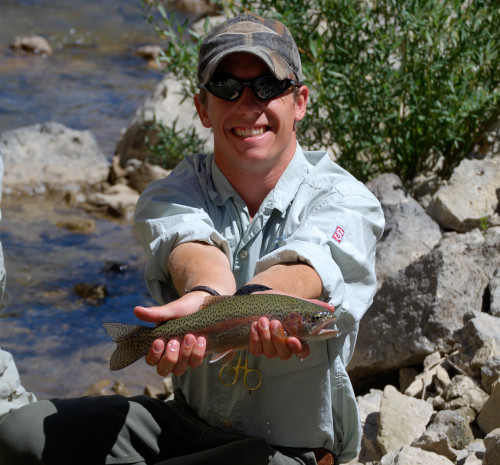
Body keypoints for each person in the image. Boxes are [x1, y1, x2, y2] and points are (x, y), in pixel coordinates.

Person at [0, 13, 384, 465]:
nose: (247, 103)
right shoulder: (172, 191)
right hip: (185, 425)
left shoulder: (348, 199)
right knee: (19, 434)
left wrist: (262, 301)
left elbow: (310, 266)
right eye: (227, 87)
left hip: (291, 450)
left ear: (299, 101)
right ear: (203, 107)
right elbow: (192, 248)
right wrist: (207, 295)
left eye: (267, 86)